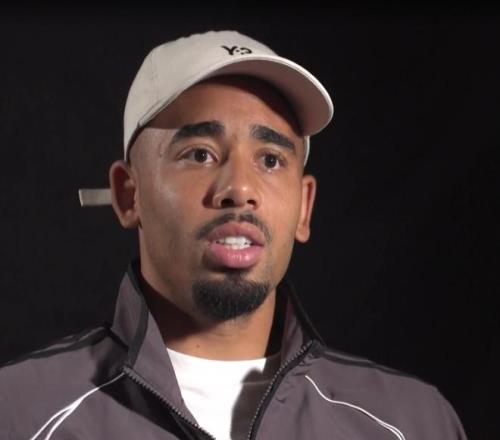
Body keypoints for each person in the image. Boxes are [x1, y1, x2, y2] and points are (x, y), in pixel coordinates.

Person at [0, 30, 467, 440]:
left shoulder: (413, 422)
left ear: (304, 207)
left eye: (270, 160)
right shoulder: (20, 414)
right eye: (200, 154)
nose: (240, 189)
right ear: (129, 195)